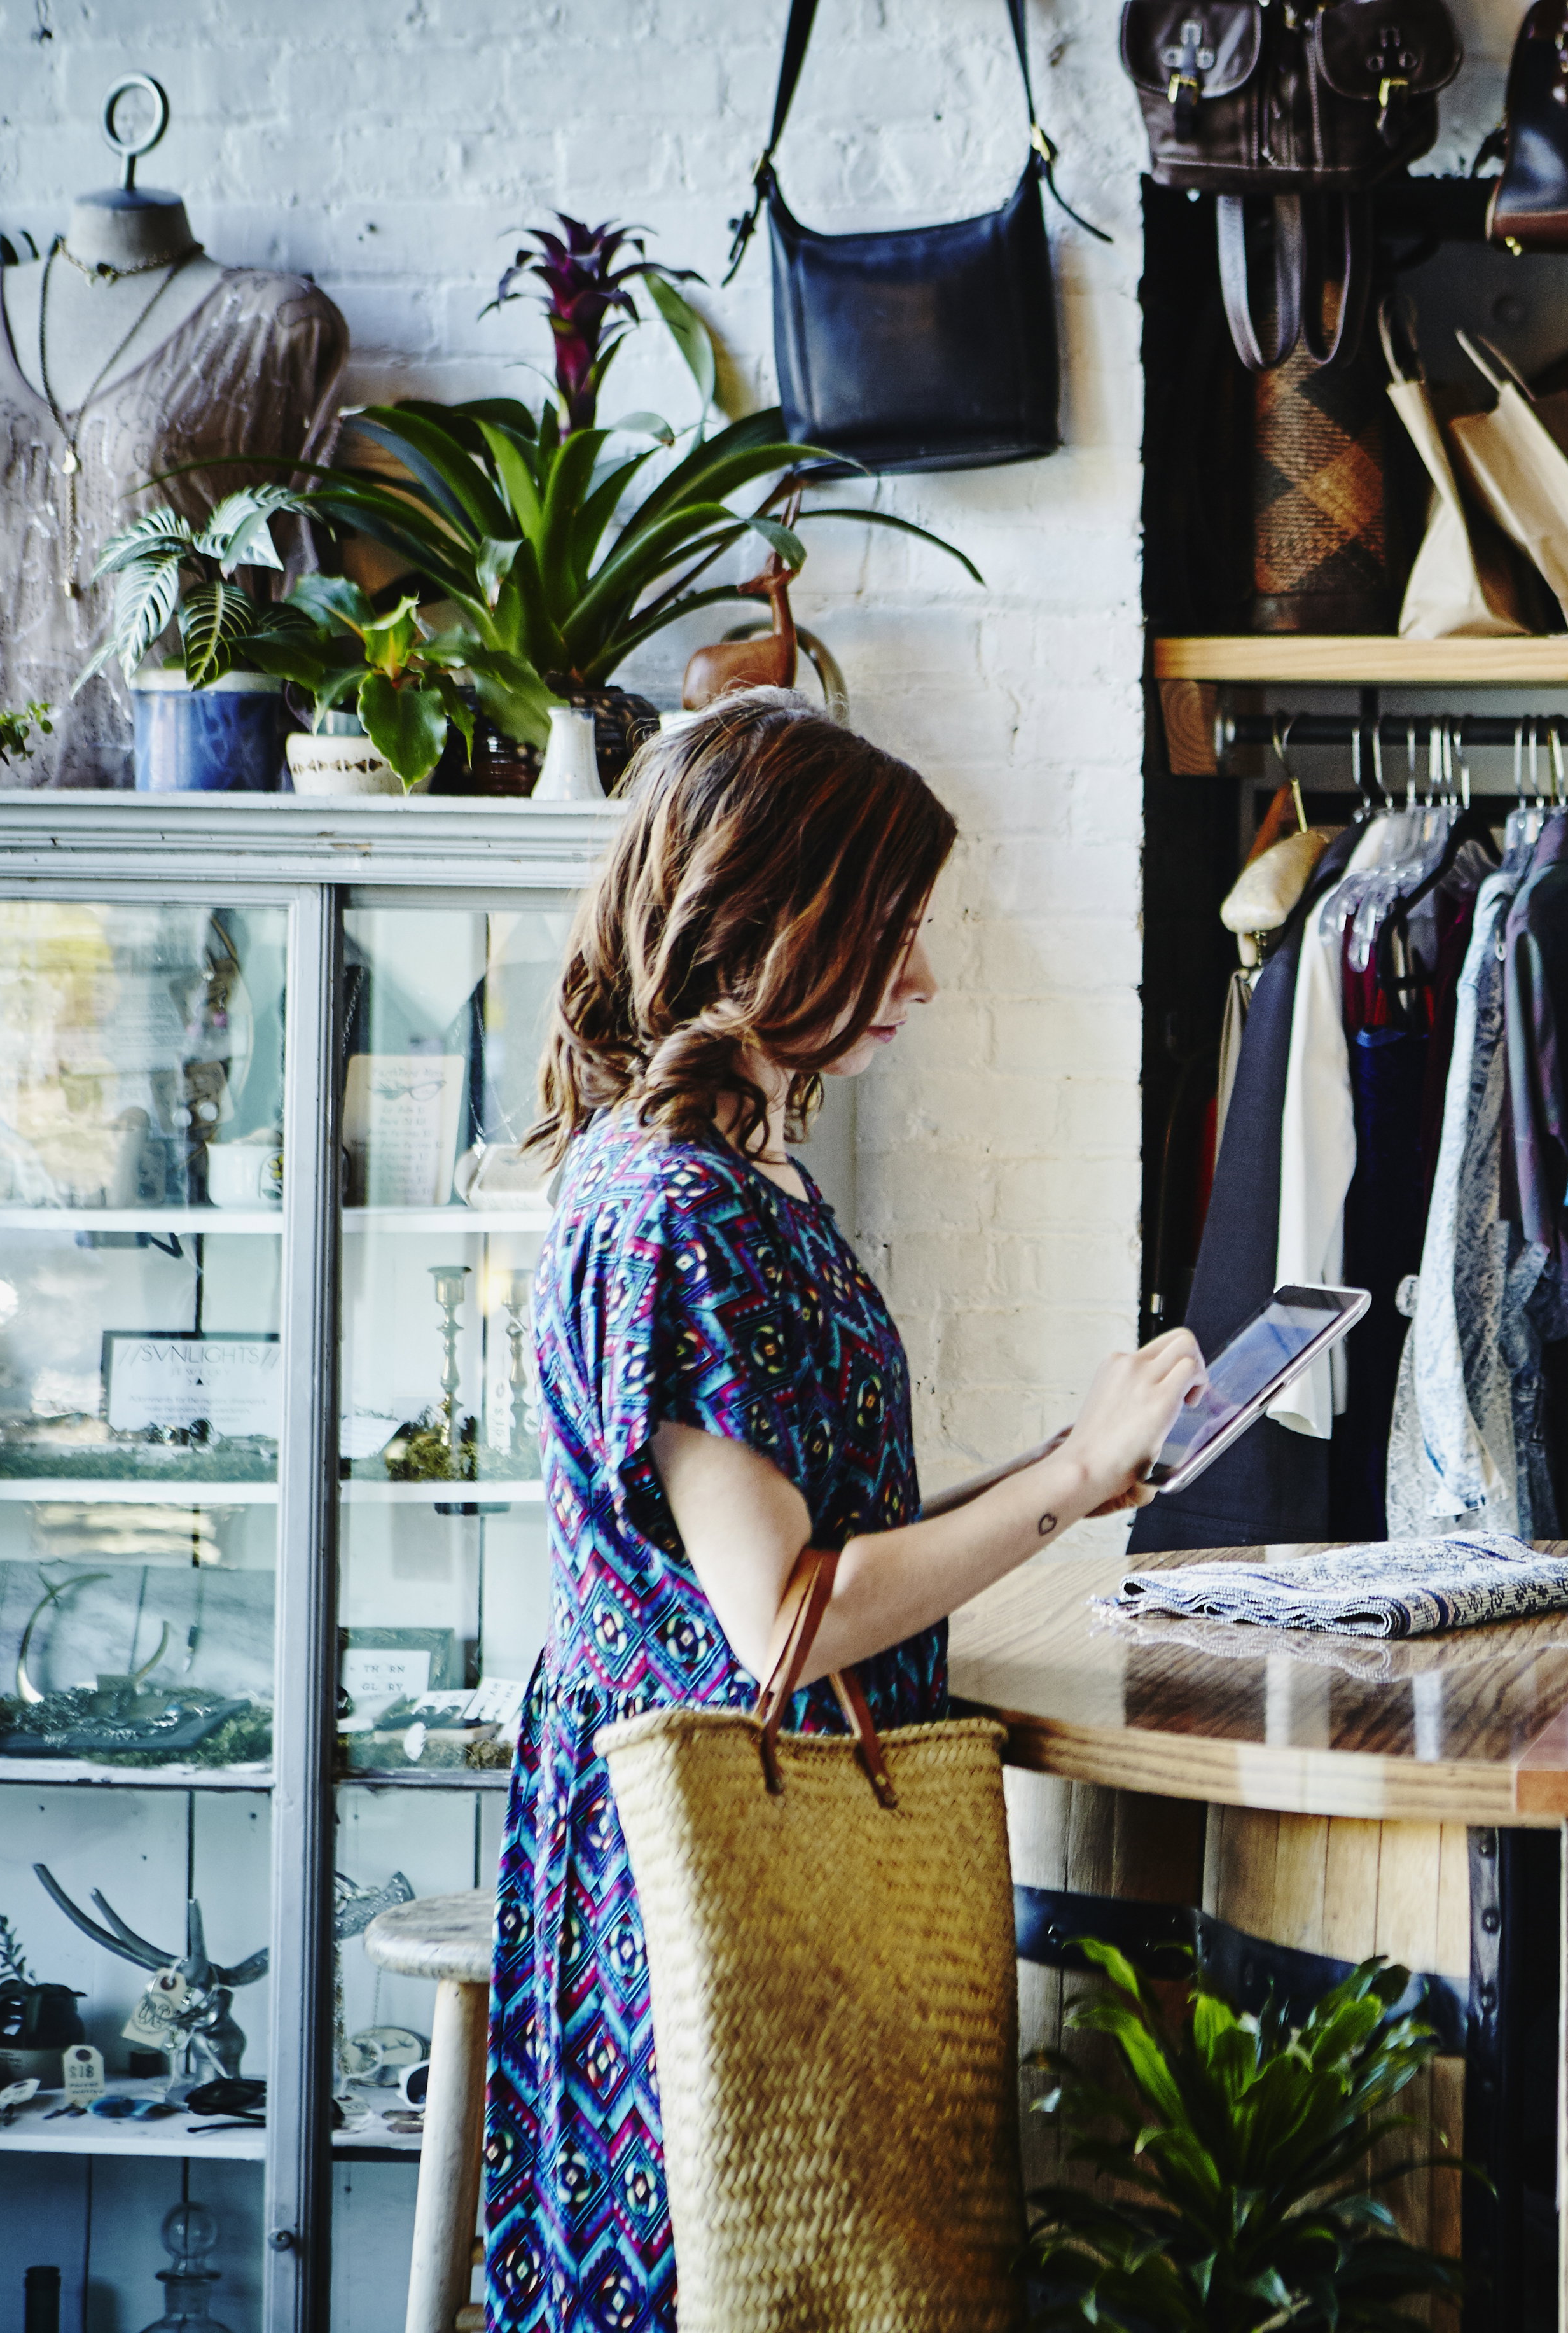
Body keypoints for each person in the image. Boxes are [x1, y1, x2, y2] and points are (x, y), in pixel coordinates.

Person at [480, 691, 1200, 2333]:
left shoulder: (718, 1177)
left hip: (702, 1814)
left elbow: (799, 1532)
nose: (924, 980)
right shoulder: (682, 1207)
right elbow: (784, 1623)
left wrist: (1059, 1462)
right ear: (759, 919)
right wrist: (1070, 1483)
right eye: (890, 932)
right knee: (744, 2268)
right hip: (711, 1838)